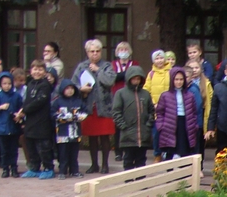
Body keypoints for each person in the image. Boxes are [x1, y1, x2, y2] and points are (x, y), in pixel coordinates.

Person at [74, 39, 117, 174]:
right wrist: (81, 89)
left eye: (97, 51)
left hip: (104, 107)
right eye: (92, 51)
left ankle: (105, 164)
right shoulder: (82, 66)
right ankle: (94, 164)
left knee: (104, 137)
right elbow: (73, 84)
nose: (95, 54)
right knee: (91, 137)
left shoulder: (106, 66)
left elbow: (110, 81)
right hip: (88, 107)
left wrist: (98, 71)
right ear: (87, 52)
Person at [112, 65, 155, 170]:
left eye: (138, 78)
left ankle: (141, 179)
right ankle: (129, 179)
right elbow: (116, 112)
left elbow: (151, 111)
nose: (136, 81)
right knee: (128, 160)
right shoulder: (121, 93)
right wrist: (123, 126)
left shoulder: (145, 94)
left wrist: (148, 125)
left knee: (141, 160)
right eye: (134, 78)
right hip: (128, 135)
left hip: (143, 135)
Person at [19, 59, 55, 179]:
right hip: (30, 121)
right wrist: (22, 111)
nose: (37, 72)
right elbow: (27, 100)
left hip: (42, 121)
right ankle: (34, 167)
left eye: (40, 69)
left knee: (43, 147)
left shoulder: (45, 85)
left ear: (44, 72)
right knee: (31, 145)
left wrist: (25, 110)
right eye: (35, 69)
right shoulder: (30, 84)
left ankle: (48, 168)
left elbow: (39, 101)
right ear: (31, 70)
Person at [156, 66, 200, 160]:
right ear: (172, 80)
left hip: (185, 125)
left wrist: (194, 126)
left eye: (181, 79)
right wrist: (160, 126)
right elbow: (159, 112)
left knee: (184, 153)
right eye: (176, 79)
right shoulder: (165, 95)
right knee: (170, 155)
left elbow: (194, 113)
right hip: (169, 126)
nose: (179, 82)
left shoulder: (190, 95)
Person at [0, 71, 23, 178]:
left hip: (13, 127)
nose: (7, 86)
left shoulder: (16, 96)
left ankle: (14, 168)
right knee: (4, 151)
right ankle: (5, 169)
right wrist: (0, 107)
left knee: (14, 150)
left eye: (9, 83)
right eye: (4, 83)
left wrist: (19, 115)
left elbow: (21, 108)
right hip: (2, 128)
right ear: (0, 84)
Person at [51, 79, 87, 177]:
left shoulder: (78, 101)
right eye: (67, 88)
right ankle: (62, 171)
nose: (70, 90)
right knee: (63, 154)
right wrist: (63, 117)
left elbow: (85, 112)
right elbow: (52, 114)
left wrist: (78, 117)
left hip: (75, 132)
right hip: (63, 133)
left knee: (74, 153)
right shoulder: (58, 102)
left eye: (72, 88)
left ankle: (74, 170)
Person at [144, 50, 172, 159]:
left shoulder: (171, 72)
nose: (159, 60)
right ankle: (157, 155)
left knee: (169, 133)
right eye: (157, 58)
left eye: (161, 58)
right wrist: (153, 104)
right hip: (156, 109)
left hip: (169, 108)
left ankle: (168, 154)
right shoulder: (151, 74)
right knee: (156, 133)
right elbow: (146, 90)